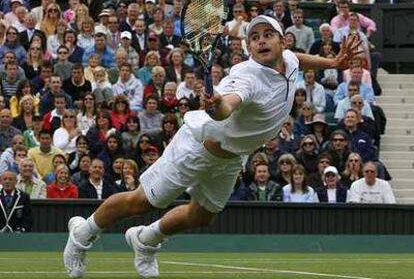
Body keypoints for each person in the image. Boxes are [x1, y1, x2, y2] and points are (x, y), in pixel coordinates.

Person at [63, 15, 361, 278]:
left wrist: (332, 63)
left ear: (281, 41)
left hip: (231, 157)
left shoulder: (289, 60)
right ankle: (81, 234)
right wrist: (218, 105)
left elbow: (298, 58)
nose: (260, 41)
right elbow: (229, 105)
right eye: (254, 37)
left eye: (267, 35)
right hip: (196, 148)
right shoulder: (247, 77)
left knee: (202, 215)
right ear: (248, 48)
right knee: (142, 202)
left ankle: (146, 239)